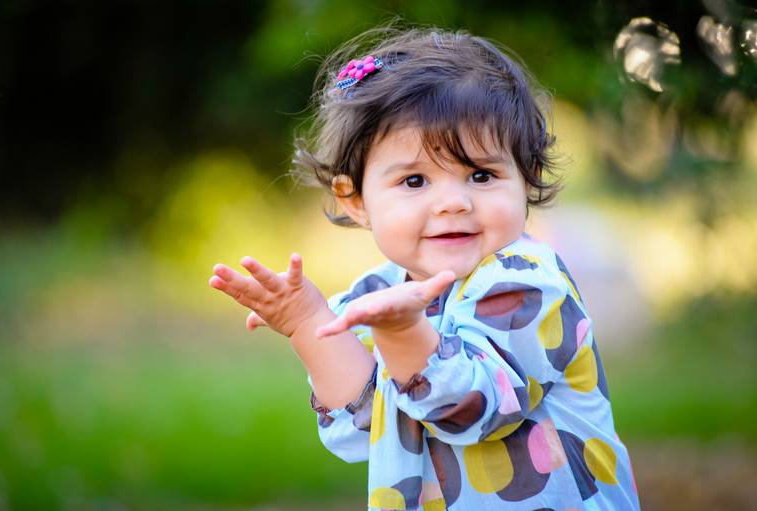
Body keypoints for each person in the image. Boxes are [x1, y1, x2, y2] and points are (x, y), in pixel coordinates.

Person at [209, 25, 641, 511]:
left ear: (527, 178)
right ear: (355, 201)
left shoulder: (527, 282)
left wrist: (401, 333)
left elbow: (473, 411)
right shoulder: (378, 293)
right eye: (415, 181)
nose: (453, 202)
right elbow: (359, 429)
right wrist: (308, 323)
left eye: (481, 175)